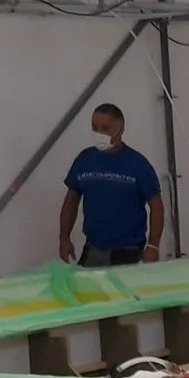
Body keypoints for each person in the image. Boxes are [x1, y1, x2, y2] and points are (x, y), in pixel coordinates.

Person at [58, 103, 165, 266]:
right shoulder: (84, 159)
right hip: (93, 249)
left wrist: (153, 246)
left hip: (129, 251)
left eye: (105, 128)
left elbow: (156, 206)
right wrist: (64, 238)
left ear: (120, 130)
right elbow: (71, 201)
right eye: (94, 127)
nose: (99, 133)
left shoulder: (137, 164)